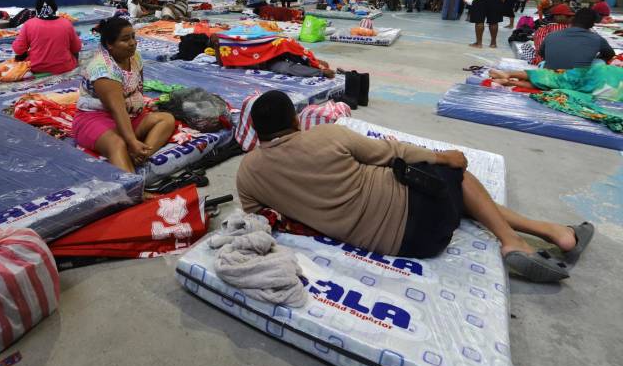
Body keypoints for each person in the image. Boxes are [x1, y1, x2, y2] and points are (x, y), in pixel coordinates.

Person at [237, 91, 591, 281]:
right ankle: (512, 241)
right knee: (458, 178)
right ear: (296, 119)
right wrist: (443, 157)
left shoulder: (247, 174)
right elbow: (393, 150)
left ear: (257, 131)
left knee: (461, 198)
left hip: (409, 246)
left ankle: (553, 232)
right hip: (422, 210)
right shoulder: (327, 136)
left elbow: (262, 219)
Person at [73, 17, 175, 172]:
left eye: (133, 37)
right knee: (117, 143)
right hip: (95, 118)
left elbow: (138, 89)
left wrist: (139, 112)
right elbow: (117, 110)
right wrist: (131, 140)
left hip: (128, 115)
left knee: (166, 119)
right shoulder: (104, 70)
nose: (133, 42)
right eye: (125, 39)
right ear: (109, 44)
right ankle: (131, 190)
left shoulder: (134, 57)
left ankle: (139, 155)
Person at [11, 0, 81, 75]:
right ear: (55, 9)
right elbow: (77, 48)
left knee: (20, 56)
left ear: (37, 10)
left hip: (37, 68)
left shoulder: (29, 24)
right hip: (65, 67)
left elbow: (18, 49)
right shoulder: (66, 23)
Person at [537, 8, 615, 70]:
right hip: (578, 80)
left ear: (573, 20)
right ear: (592, 25)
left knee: (543, 63)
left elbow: (542, 54)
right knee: (600, 62)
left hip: (550, 75)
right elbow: (610, 54)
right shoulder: (597, 39)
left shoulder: (551, 35)